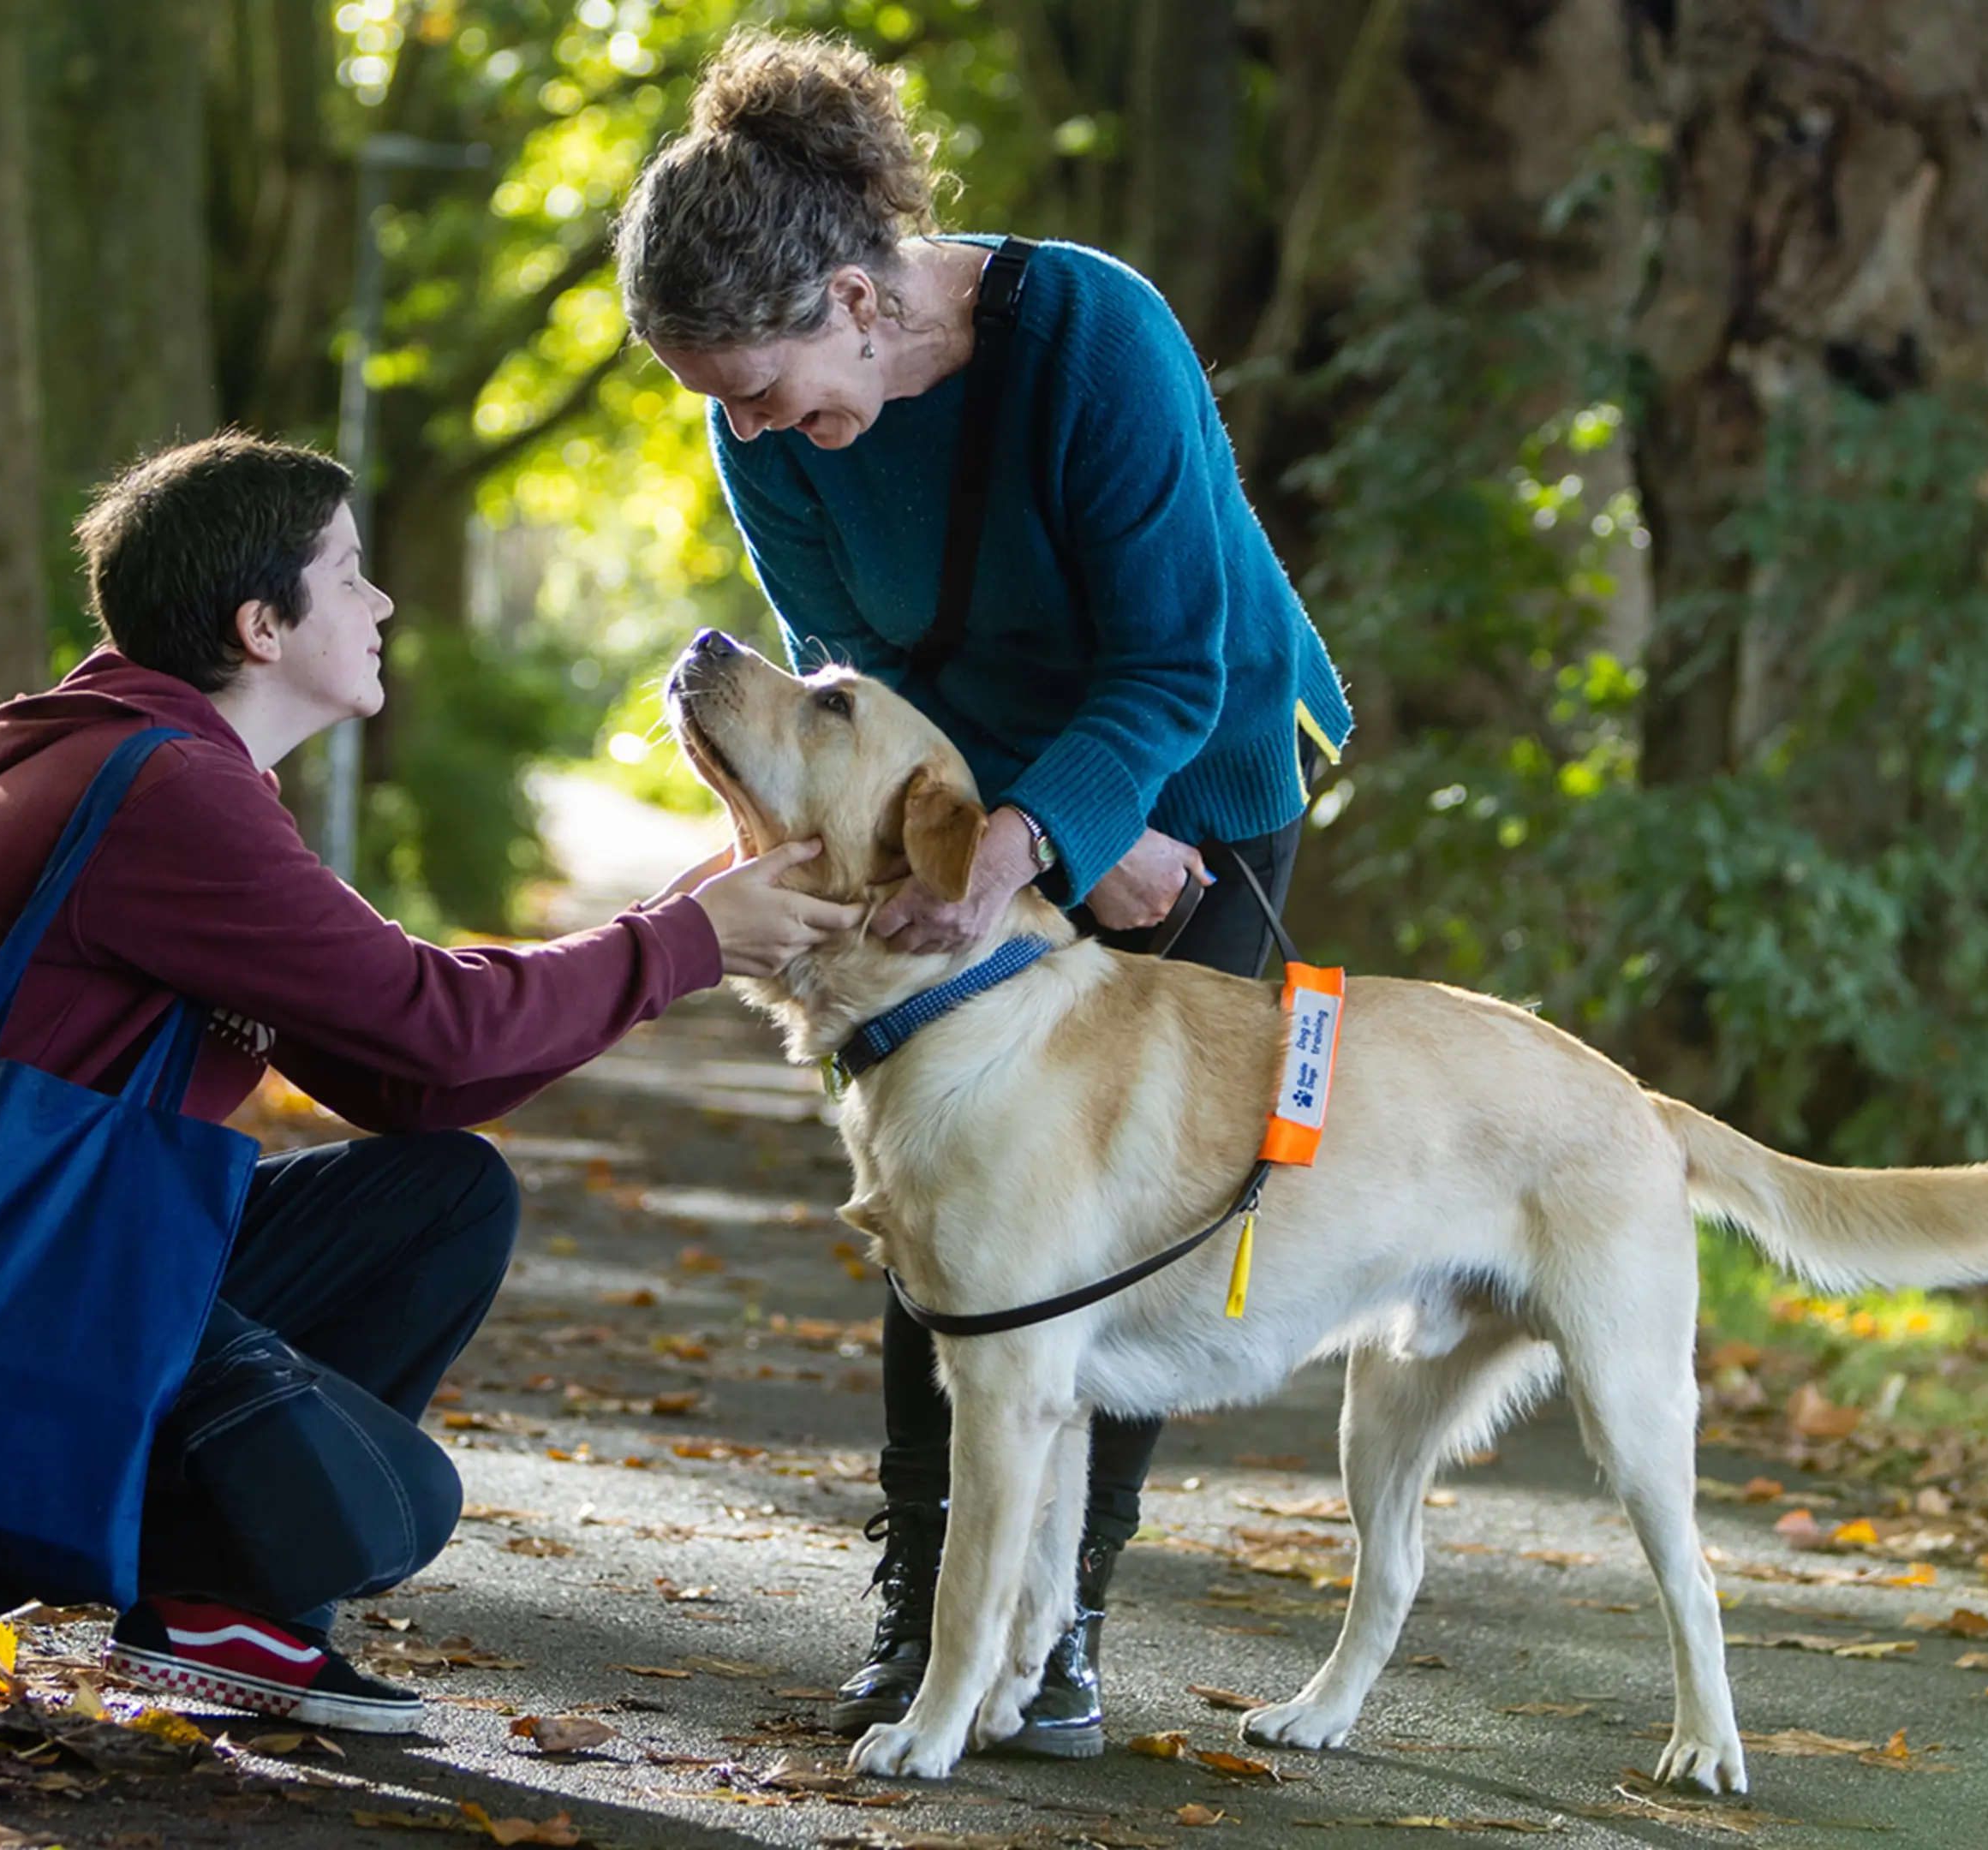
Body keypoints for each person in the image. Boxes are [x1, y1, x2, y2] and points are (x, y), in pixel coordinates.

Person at [0, 431, 859, 1733]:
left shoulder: (169, 770)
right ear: (263, 625)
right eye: (352, 576)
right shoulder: (161, 794)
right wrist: (688, 943)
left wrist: (684, 921)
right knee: (388, 1505)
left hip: (62, 1248)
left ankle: (222, 1605)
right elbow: (437, 1032)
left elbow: (409, 1078)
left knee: (442, 1195)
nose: (382, 606)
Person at [612, 32, 1358, 1758]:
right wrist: (1010, 833)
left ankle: (1069, 1622)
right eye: (717, 401)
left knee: (1124, 1219)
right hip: (993, 797)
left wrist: (1069, 836)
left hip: (1199, 768)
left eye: (769, 388)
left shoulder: (1096, 336)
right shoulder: (776, 429)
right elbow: (856, 681)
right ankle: (923, 1602)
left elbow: (1175, 659)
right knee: (947, 1203)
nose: (752, 435)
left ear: (862, 299)